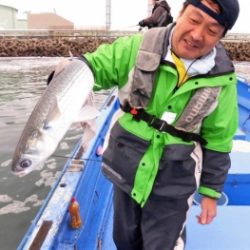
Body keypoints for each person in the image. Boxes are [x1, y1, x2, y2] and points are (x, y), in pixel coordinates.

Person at [79, 0, 240, 249]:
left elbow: (219, 139)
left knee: (162, 244)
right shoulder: (137, 46)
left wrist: (210, 193)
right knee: (124, 239)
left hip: (176, 179)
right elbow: (96, 66)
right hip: (127, 167)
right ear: (181, 13)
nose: (197, 35)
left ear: (221, 36)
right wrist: (72, 72)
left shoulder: (222, 80)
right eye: (194, 20)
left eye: (212, 30)